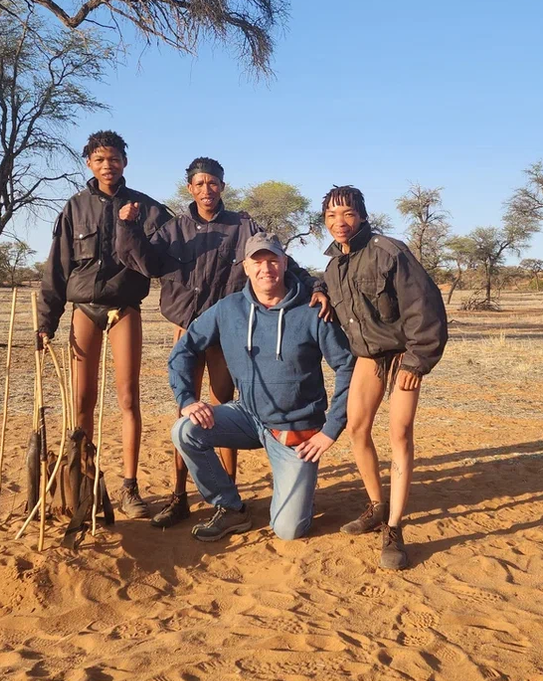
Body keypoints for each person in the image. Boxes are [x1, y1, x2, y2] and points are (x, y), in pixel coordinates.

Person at [115, 157, 332, 528]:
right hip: (187, 327)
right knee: (187, 412)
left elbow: (283, 263)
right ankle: (179, 496)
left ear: (222, 186)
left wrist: (316, 286)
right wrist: (129, 227)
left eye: (213, 183)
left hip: (228, 331)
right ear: (190, 189)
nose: (207, 190)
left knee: (224, 408)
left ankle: (229, 500)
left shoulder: (243, 226)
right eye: (199, 184)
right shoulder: (175, 228)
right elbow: (146, 263)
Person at [168, 232, 354, 542]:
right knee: (185, 430)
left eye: (272, 260)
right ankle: (230, 507)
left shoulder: (313, 310)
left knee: (288, 530)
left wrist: (330, 430)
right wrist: (187, 399)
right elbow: (184, 349)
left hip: (295, 430)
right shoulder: (228, 309)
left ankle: (298, 493)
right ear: (245, 267)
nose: (265, 268)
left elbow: (348, 366)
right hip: (247, 416)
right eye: (257, 262)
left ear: (285, 263)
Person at [37, 130, 172, 519]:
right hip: (84, 309)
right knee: (82, 401)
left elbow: (160, 263)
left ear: (125, 162)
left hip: (125, 309)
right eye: (99, 160)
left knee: (128, 399)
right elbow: (57, 267)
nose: (107, 165)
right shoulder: (75, 207)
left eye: (114, 159)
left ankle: (130, 488)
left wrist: (133, 228)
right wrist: (46, 321)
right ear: (89, 164)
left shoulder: (148, 209)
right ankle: (84, 484)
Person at [321, 185, 448, 570]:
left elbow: (425, 307)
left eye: (347, 214)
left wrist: (416, 362)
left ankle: (394, 528)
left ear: (362, 215)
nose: (340, 222)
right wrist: (319, 291)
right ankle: (377, 506)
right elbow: (325, 286)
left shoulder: (389, 251)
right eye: (331, 216)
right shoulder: (333, 265)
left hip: (403, 354)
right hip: (368, 356)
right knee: (357, 428)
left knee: (400, 434)